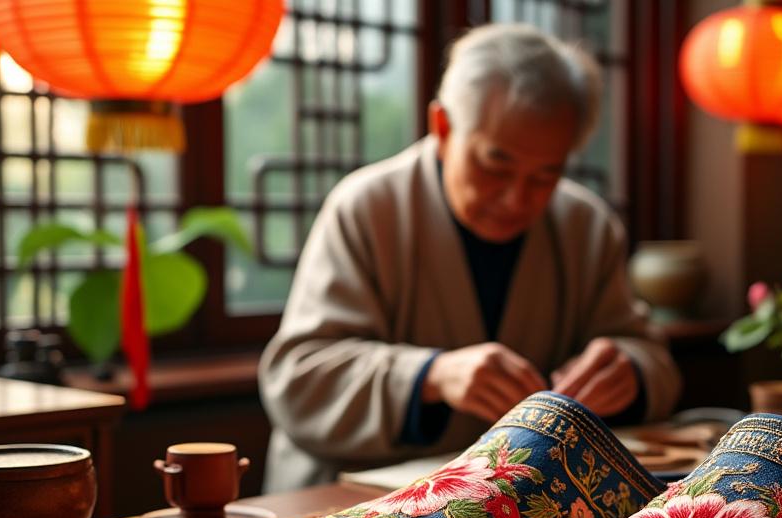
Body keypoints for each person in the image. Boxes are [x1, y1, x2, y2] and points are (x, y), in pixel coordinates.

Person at [259, 23, 681, 491]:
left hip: (524, 506)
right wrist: (431, 376)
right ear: (442, 127)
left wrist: (628, 373)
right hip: (353, 509)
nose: (517, 199)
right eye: (494, 164)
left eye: (546, 175)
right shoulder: (367, 207)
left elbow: (653, 360)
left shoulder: (587, 225)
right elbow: (298, 379)